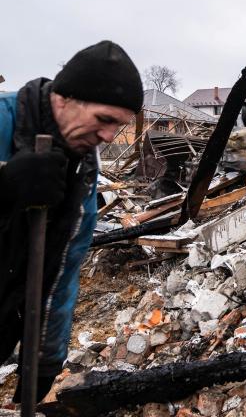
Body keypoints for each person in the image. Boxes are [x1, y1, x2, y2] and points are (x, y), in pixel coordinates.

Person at [0, 40, 143, 401]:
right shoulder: (3, 121)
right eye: (105, 120)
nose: (109, 137)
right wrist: (4, 187)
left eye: (120, 125)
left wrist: (46, 357)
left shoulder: (82, 168)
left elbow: (64, 267)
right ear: (63, 99)